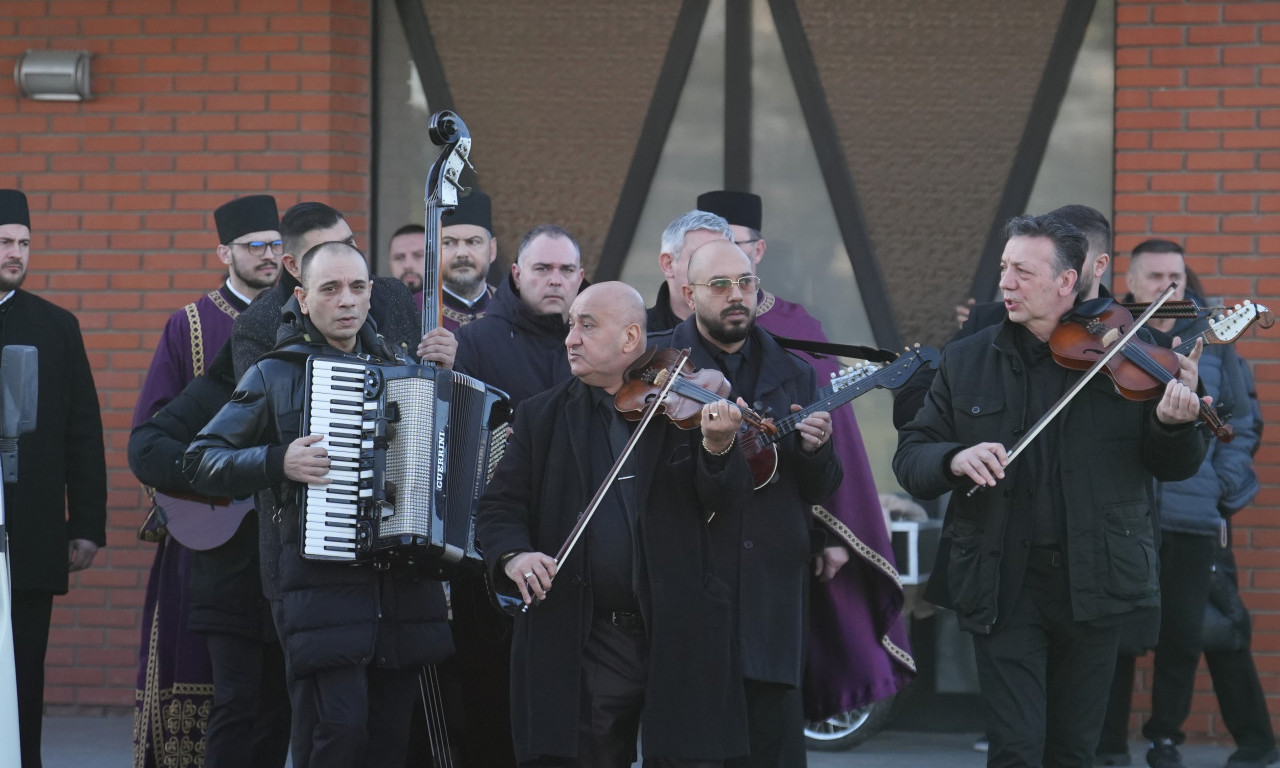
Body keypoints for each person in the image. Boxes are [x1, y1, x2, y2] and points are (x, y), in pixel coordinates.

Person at [893, 213, 1208, 768]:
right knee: (1016, 748)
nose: (1005, 283)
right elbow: (912, 454)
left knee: (1074, 750)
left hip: (1096, 581)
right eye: (1004, 268)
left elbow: (1172, 467)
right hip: (1003, 578)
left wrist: (1176, 424)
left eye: (1022, 271)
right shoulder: (968, 358)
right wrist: (953, 456)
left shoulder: (1132, 354)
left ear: (1068, 281)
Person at [185, 241, 454, 768]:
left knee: (388, 743)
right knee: (338, 735)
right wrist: (276, 461)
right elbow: (201, 460)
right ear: (304, 300)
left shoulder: (408, 371)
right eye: (330, 289)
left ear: (371, 294)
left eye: (357, 287)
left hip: (400, 593)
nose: (346, 300)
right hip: (321, 590)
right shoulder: (275, 372)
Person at [475, 281, 752, 767]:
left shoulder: (682, 408)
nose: (570, 339)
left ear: (629, 338)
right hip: (589, 639)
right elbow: (498, 509)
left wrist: (718, 446)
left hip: (677, 628)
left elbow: (726, 504)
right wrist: (514, 556)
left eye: (586, 325)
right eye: (570, 327)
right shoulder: (542, 416)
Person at [689, 191, 916, 723]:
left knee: (770, 709)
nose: (728, 276)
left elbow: (840, 452)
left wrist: (833, 533)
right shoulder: (662, 337)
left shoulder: (799, 329)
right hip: (690, 548)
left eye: (736, 251)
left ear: (759, 252)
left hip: (773, 546)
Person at [649, 239, 843, 768]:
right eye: (720, 285)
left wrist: (815, 450)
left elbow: (820, 487)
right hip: (691, 590)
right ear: (688, 295)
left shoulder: (795, 371)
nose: (736, 296)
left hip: (771, 597)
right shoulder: (660, 366)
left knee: (772, 750)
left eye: (746, 283)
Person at [1096, 242, 1273, 768]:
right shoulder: (1113, 332)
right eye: (1155, 276)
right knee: (1119, 633)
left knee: (1183, 633)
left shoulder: (1213, 339)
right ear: (1132, 279)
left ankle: (1164, 740)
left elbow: (1243, 421)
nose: (1169, 286)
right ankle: (1107, 748)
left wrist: (1219, 485)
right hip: (1126, 513)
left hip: (1193, 514)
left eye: (1176, 275)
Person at [130, 193, 286, 768]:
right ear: (225, 251)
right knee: (215, 682)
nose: (269, 256)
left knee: (273, 701)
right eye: (255, 246)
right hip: (212, 524)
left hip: (283, 530)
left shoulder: (302, 317)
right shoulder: (191, 324)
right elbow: (154, 432)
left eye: (276, 245)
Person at [0, 189, 108, 768]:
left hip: (31, 532)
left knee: (22, 670)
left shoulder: (55, 325)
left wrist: (86, 523)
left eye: (23, 243)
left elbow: (82, 431)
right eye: (4, 242)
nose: (15, 254)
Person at [895, 204, 1115, 431]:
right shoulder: (987, 323)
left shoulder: (1124, 334)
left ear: (1099, 265)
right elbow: (912, 410)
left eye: (1077, 253)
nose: (1006, 282)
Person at [229, 201, 450, 381]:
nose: (345, 255)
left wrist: (445, 365)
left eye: (349, 243)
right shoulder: (257, 324)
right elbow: (253, 421)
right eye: (327, 251)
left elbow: (427, 386)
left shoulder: (394, 293)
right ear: (293, 266)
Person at [453, 223, 585, 409]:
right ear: (517, 274)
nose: (555, 280)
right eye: (542, 268)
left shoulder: (597, 342)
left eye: (567, 270)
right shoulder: (471, 343)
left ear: (579, 278)